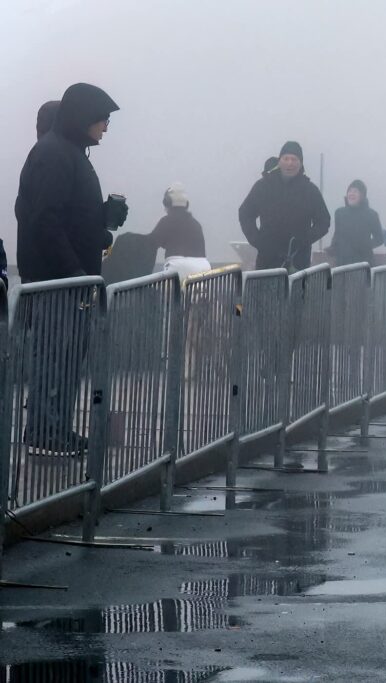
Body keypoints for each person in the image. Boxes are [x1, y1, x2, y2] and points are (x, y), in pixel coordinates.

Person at [15, 82, 128, 455]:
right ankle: (45, 431)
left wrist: (102, 224)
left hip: (70, 280)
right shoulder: (54, 155)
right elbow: (45, 220)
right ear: (84, 117)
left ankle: (57, 427)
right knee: (53, 357)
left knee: (67, 360)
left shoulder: (72, 153)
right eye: (103, 119)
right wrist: (74, 271)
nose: (106, 128)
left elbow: (68, 218)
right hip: (57, 282)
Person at [238, 141, 330, 271]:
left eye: (294, 159)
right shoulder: (264, 186)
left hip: (298, 264)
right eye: (286, 158)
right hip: (267, 261)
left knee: (295, 292)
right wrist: (257, 240)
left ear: (301, 163)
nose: (290, 163)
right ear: (279, 161)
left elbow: (324, 221)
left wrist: (305, 239)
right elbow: (245, 213)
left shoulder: (310, 191)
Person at [151, 182, 210, 281]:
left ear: (167, 202)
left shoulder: (166, 221)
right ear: (186, 204)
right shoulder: (196, 224)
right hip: (204, 269)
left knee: (172, 296)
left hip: (177, 267)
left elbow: (152, 243)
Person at [330, 180, 384, 266]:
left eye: (355, 191)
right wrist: (333, 248)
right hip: (342, 263)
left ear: (362, 195)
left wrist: (364, 246)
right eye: (350, 191)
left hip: (363, 263)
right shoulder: (340, 213)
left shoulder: (371, 214)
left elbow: (379, 239)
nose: (351, 194)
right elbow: (337, 234)